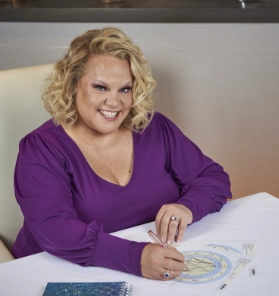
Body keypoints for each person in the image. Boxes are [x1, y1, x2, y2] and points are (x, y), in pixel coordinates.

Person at [11, 27, 232, 280]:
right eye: (101, 88)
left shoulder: (154, 128)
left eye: (125, 89)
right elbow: (55, 230)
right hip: (52, 272)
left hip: (148, 266)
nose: (114, 103)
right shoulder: (40, 148)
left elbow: (212, 177)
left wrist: (187, 207)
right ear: (72, 86)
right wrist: (137, 258)